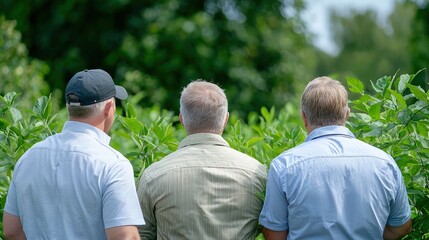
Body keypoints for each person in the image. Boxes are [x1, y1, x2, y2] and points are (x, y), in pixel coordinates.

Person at [259, 76, 412, 240]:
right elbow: (401, 227)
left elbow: (274, 235)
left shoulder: (283, 166)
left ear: (304, 117)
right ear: (347, 114)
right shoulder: (385, 163)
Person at [3, 69, 145, 240]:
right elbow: (125, 236)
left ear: (69, 107)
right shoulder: (113, 165)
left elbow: (11, 230)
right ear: (109, 108)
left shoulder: (28, 158)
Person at [137, 80, 267, 239]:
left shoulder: (153, 176)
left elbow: (140, 235)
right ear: (225, 120)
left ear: (182, 120)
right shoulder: (257, 173)